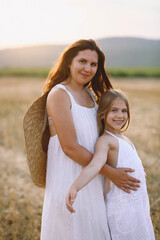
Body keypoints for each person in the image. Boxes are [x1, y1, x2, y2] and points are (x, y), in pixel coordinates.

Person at [41, 39, 140, 240]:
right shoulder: (59, 94)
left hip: (93, 176)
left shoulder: (90, 95)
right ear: (69, 62)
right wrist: (111, 173)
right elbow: (69, 147)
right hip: (68, 176)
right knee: (72, 231)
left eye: (93, 64)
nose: (88, 68)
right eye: (82, 61)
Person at [65, 89, 155, 240]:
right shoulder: (106, 141)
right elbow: (95, 166)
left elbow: (129, 161)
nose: (120, 115)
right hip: (122, 207)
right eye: (114, 110)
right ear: (102, 114)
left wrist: (140, 172)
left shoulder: (124, 138)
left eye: (124, 111)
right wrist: (75, 187)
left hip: (137, 204)